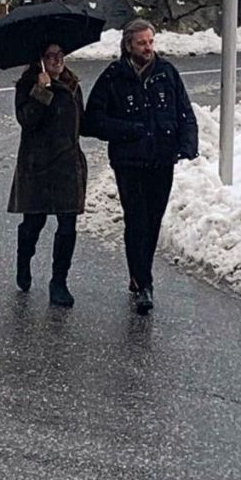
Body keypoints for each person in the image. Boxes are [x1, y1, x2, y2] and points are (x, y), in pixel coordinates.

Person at [82, 18, 198, 315]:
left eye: (150, 42)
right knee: (136, 220)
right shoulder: (114, 76)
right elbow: (91, 121)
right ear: (128, 45)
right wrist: (127, 130)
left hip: (162, 160)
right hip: (129, 162)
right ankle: (144, 282)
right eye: (142, 43)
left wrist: (187, 146)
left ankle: (139, 275)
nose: (148, 48)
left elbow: (184, 112)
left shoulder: (167, 73)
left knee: (153, 220)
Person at [8, 42, 87, 307]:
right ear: (40, 59)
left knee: (67, 226)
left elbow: (82, 122)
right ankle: (24, 260)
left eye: (60, 55)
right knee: (34, 223)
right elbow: (27, 120)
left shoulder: (72, 85)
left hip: (68, 166)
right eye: (50, 56)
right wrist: (41, 91)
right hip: (38, 168)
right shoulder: (27, 86)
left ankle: (59, 281)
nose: (57, 60)